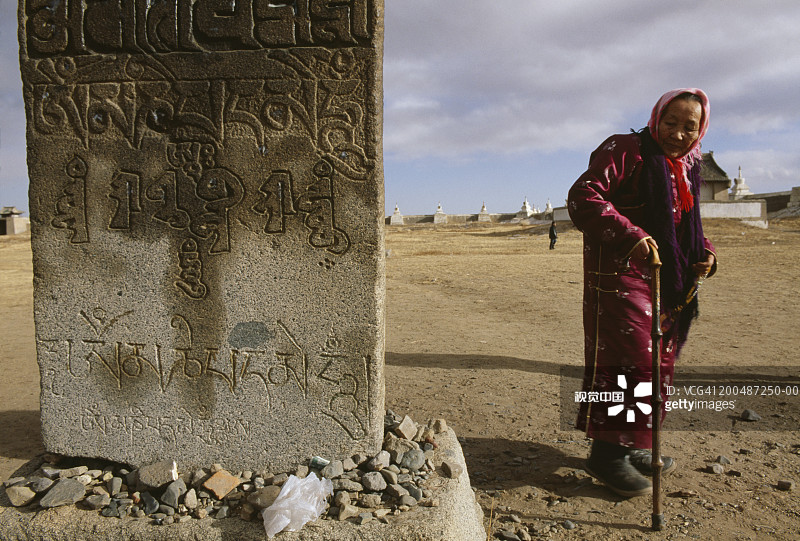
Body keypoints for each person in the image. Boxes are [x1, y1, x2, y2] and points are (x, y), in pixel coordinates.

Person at [567, 88, 717, 497]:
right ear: (656, 118)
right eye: (671, 123)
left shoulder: (686, 166)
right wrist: (630, 234)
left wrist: (705, 254)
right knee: (631, 359)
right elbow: (584, 196)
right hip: (619, 275)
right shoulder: (626, 148)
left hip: (667, 282)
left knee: (658, 360)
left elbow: (687, 224)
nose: (679, 134)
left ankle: (632, 445)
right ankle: (606, 454)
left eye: (690, 127)